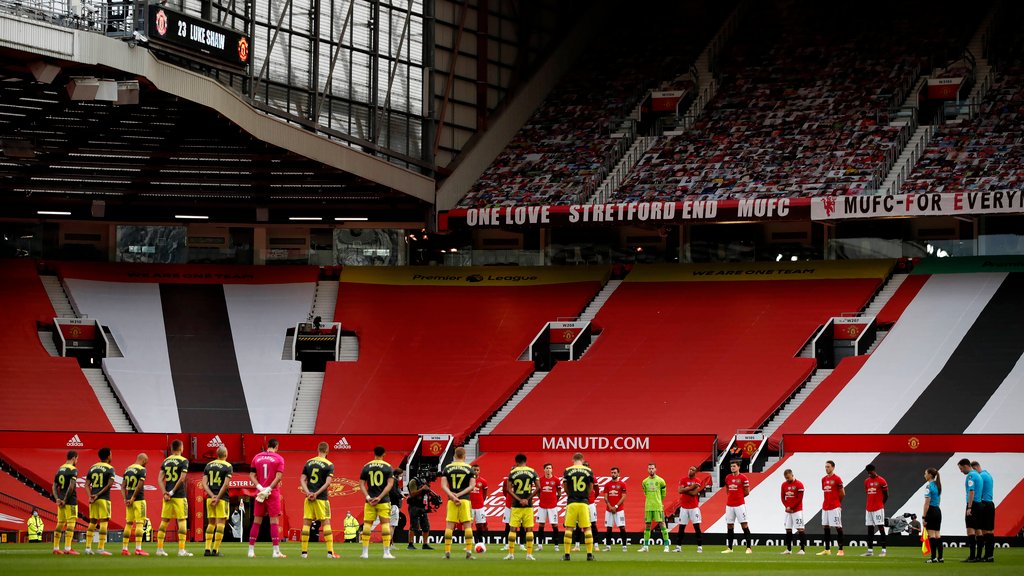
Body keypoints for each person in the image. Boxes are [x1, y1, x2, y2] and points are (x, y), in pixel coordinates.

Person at [249, 438, 286, 558]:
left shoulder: (256, 457)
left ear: (267, 446)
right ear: (276, 447)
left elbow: (251, 475)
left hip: (260, 493)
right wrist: (268, 489)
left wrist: (260, 488)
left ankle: (250, 551)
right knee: (274, 521)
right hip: (272, 493)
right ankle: (275, 552)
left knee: (256, 521)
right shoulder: (279, 458)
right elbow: (278, 477)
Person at [300, 442, 337, 559]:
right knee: (326, 522)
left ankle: (304, 553)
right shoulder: (329, 464)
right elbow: (328, 482)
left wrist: (308, 493)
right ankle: (330, 552)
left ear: (317, 449)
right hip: (321, 498)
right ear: (327, 451)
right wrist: (316, 494)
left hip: (308, 498)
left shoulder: (309, 462)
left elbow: (302, 480)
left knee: (306, 524)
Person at [359, 445, 396, 559]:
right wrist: (379, 497)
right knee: (385, 524)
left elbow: (361, 484)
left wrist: (368, 496)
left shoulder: (366, 466)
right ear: (384, 454)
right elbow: (390, 484)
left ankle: (365, 553)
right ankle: (386, 553)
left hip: (369, 501)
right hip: (383, 500)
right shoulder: (388, 467)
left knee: (367, 525)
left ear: (374, 453)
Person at [440, 446, 476, 560]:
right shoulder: (470, 469)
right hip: (464, 500)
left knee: (449, 526)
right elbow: (472, 486)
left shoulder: (447, 468)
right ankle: (469, 552)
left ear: (455, 455)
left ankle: (447, 552)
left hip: (452, 500)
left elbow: (443, 485)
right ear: (464, 456)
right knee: (467, 526)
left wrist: (452, 495)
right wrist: (459, 495)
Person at [157, 439, 191, 557]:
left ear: (171, 449)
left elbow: (160, 479)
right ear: (181, 448)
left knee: (164, 520)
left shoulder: (166, 461)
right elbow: (182, 478)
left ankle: (159, 549)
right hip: (179, 496)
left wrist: (164, 493)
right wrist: (171, 492)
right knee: (181, 520)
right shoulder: (184, 461)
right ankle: (181, 550)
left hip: (167, 497)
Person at [504, 453, 539, 560]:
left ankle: (511, 554)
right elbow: (538, 487)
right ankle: (529, 554)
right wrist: (527, 499)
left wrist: (519, 500)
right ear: (525, 461)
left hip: (516, 505)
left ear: (516, 462)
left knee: (513, 528)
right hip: (528, 505)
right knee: (529, 529)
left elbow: (508, 489)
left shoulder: (513, 472)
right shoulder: (532, 471)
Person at [561, 452, 595, 561]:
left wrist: (570, 494)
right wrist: (585, 495)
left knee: (569, 528)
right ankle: (589, 554)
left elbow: (565, 486)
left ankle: (567, 555)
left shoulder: (568, 470)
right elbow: (591, 486)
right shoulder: (588, 470)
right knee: (587, 528)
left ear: (573, 460)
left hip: (572, 502)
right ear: (583, 460)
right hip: (584, 502)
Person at [203, 446, 232, 557]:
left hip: (210, 498)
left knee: (211, 523)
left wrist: (212, 496)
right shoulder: (228, 466)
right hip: (222, 499)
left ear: (216, 454)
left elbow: (204, 484)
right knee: (220, 523)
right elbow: (225, 484)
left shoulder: (208, 465)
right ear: (226, 454)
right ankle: (215, 550)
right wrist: (218, 497)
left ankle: (207, 549)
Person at [84, 447, 115, 555]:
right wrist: (98, 495)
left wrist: (90, 496)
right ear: (108, 456)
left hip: (93, 499)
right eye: (111, 454)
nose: (111, 456)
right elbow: (110, 484)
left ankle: (88, 548)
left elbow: (86, 485)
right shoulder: (110, 468)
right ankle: (100, 548)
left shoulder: (92, 467)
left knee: (92, 522)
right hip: (103, 499)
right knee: (104, 522)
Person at [121, 452, 149, 556]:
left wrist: (125, 498)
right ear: (144, 460)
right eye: (146, 462)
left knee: (128, 524)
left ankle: (124, 548)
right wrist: (133, 498)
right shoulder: (142, 470)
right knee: (139, 524)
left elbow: (122, 486)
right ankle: (138, 549)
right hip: (138, 500)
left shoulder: (128, 469)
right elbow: (139, 485)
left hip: (128, 500)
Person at [722, 460, 753, 554]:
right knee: (729, 525)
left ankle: (749, 548)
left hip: (739, 505)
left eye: (734, 466)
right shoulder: (728, 477)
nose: (732, 468)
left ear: (739, 467)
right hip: (729, 505)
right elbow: (727, 489)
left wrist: (738, 496)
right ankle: (730, 548)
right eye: (731, 466)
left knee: (744, 524)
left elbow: (747, 491)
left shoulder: (743, 478)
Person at [52, 450, 79, 555]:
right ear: (73, 458)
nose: (77, 461)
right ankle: (68, 548)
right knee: (71, 523)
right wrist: (65, 500)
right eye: (77, 459)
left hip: (61, 500)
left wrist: (57, 498)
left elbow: (54, 485)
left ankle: (56, 548)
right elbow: (71, 486)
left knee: (60, 523)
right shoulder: (73, 470)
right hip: (70, 501)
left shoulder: (60, 469)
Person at [639, 462, 669, 553]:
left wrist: (659, 501)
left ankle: (666, 546)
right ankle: (645, 546)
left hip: (658, 506)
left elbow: (663, 494)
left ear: (655, 469)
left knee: (662, 524)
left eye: (652, 468)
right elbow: (645, 493)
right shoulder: (644, 482)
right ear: (647, 470)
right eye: (649, 468)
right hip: (648, 506)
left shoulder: (661, 481)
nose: (651, 470)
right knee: (647, 525)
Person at [958, 458, 983, 562]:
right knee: (978, 530)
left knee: (970, 530)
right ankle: (978, 556)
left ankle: (972, 556)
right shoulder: (978, 475)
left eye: (961, 468)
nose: (961, 471)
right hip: (979, 504)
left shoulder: (971, 476)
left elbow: (971, 491)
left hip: (973, 505)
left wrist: (969, 507)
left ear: (965, 466)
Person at [818, 459, 845, 556]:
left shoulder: (837, 479)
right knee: (825, 527)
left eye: (828, 467)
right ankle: (827, 549)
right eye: (825, 467)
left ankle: (841, 550)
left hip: (834, 507)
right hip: (825, 507)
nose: (826, 468)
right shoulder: (823, 479)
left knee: (838, 527)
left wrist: (837, 503)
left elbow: (842, 493)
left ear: (833, 467)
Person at [674, 465, 704, 553]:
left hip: (694, 507)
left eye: (693, 470)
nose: (690, 471)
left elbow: (694, 493)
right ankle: (678, 546)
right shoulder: (683, 479)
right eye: (689, 469)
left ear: (695, 472)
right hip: (684, 507)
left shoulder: (698, 481)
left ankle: (699, 547)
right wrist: (691, 487)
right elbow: (680, 491)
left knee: (697, 527)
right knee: (681, 527)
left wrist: (685, 489)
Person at [862, 463, 888, 557]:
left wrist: (881, 504)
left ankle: (884, 550)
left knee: (881, 528)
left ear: (874, 470)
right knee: (870, 529)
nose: (869, 474)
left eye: (870, 472)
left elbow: (886, 495)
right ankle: (870, 550)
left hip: (878, 508)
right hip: (869, 508)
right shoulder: (866, 481)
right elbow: (868, 493)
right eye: (868, 473)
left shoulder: (881, 481)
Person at [972, 461, 995, 562]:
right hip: (990, 504)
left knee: (984, 532)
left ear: (976, 467)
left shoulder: (980, 476)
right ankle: (989, 555)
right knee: (989, 531)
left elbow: (978, 492)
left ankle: (986, 556)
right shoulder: (988, 475)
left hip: (984, 504)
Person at [780, 469, 806, 555]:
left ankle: (802, 549)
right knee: (788, 529)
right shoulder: (784, 485)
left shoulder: (799, 484)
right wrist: (786, 506)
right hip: (788, 511)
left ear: (792, 475)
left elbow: (799, 498)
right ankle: (789, 549)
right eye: (786, 478)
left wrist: (791, 507)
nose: (787, 479)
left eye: (788, 477)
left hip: (797, 510)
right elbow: (782, 497)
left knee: (800, 528)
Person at [536, 463, 561, 551]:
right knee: (541, 524)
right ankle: (539, 545)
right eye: (546, 468)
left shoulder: (556, 480)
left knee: (554, 525)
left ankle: (556, 545)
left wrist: (554, 500)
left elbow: (559, 493)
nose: (548, 470)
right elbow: (538, 492)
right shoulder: (540, 480)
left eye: (550, 468)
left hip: (552, 506)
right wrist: (541, 498)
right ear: (544, 469)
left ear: (552, 469)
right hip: (542, 505)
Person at [602, 467, 627, 552]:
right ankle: (608, 546)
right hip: (609, 510)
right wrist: (610, 506)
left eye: (615, 472)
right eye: (612, 472)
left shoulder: (622, 484)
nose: (613, 474)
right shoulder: (607, 484)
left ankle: (624, 546)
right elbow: (605, 497)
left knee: (622, 527)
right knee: (609, 528)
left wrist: (615, 506)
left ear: (618, 474)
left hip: (619, 510)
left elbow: (623, 497)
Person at [922, 467, 943, 563]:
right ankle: (940, 557)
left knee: (931, 535)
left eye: (925, 473)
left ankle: (933, 557)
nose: (924, 475)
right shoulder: (937, 485)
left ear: (930, 475)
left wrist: (923, 517)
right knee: (938, 534)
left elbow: (927, 503)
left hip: (931, 511)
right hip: (938, 511)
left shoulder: (929, 486)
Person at [406, 477, 433, 550]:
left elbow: (426, 493)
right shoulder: (413, 481)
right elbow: (412, 494)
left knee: (426, 526)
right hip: (414, 506)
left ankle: (425, 544)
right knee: (413, 525)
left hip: (422, 506)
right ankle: (410, 544)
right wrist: (422, 489)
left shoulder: (424, 482)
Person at [469, 464, 488, 540]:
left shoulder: (483, 481)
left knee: (480, 524)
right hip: (470, 506)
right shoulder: (467, 481)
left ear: (479, 471)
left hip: (480, 506)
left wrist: (481, 501)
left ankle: (480, 541)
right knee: (469, 525)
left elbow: (485, 494)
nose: (476, 471)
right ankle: (469, 542)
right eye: (474, 470)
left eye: (477, 470)